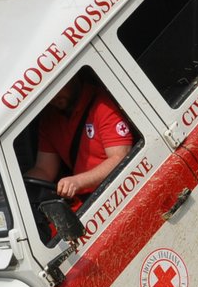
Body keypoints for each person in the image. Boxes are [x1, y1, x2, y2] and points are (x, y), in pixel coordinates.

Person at [23, 75, 134, 205]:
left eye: (56, 88)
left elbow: (120, 158)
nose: (53, 97)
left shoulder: (102, 104)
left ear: (72, 78)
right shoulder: (49, 119)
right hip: (84, 201)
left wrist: (77, 182)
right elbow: (44, 170)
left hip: (118, 192)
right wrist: (16, 188)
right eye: (46, 93)